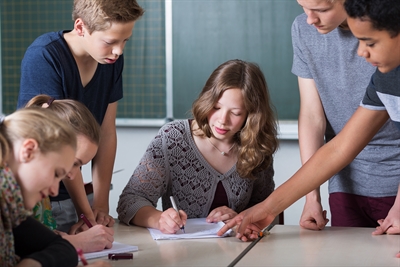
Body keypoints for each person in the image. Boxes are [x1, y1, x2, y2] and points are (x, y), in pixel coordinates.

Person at [218, 0, 400, 245]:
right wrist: (268, 208)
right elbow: (339, 148)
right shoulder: (385, 79)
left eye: (370, 42)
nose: (361, 52)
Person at [17, 0, 145, 231]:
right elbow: (60, 143)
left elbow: (106, 133)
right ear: (80, 27)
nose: (119, 50)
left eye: (125, 40)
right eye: (110, 42)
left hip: (76, 195)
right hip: (44, 195)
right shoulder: (45, 56)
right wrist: (87, 214)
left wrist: (100, 205)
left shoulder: (111, 60)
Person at [117, 59, 278, 234]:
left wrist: (240, 217)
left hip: (238, 253)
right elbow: (130, 201)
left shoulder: (257, 146)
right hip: (183, 254)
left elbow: (268, 210)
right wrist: (159, 220)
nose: (222, 120)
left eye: (236, 113)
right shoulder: (173, 139)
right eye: (216, 107)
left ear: (251, 115)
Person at [293, 0, 400, 231]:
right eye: (302, 5)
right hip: (342, 177)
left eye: (322, 10)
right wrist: (311, 197)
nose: (310, 19)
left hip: (394, 176)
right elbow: (314, 118)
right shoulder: (302, 29)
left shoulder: (388, 33)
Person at [26, 94, 114, 253]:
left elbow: (29, 235)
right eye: (74, 163)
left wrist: (57, 237)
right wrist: (75, 242)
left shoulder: (40, 186)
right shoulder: (14, 187)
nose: (73, 175)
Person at [0, 107, 78, 266]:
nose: (55, 191)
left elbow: (63, 247)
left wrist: (31, 264)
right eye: (56, 173)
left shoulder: (10, 205)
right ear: (28, 151)